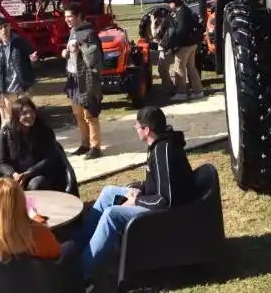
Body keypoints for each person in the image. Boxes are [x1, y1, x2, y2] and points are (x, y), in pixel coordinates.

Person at [75, 106, 197, 285]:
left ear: (147, 130)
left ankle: (81, 271)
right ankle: (77, 247)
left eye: (137, 126)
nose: (136, 129)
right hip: (153, 198)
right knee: (109, 192)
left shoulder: (163, 151)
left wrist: (136, 200)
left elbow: (166, 199)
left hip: (167, 213)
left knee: (112, 215)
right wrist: (140, 189)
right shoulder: (158, 144)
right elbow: (159, 181)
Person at [0, 97, 65, 199]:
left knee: (35, 185)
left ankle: (36, 213)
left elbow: (50, 158)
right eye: (24, 113)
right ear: (16, 116)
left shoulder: (44, 131)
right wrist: (13, 174)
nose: (29, 115)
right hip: (15, 175)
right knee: (7, 189)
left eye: (32, 112)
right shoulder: (5, 133)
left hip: (39, 172)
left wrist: (30, 172)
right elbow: (0, 161)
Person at [62, 4, 103, 160]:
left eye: (70, 16)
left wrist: (79, 49)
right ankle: (84, 144)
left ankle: (95, 147)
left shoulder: (90, 33)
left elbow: (93, 57)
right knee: (78, 114)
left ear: (79, 16)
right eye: (65, 17)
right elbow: (71, 54)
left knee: (90, 114)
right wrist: (66, 53)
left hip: (87, 79)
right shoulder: (73, 31)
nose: (67, 20)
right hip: (74, 79)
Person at [0, 17, 38, 124]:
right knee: (10, 121)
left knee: (27, 119)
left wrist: (34, 60)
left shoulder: (20, 42)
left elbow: (34, 61)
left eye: (6, 26)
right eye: (0, 28)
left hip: (22, 89)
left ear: (9, 26)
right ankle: (14, 141)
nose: (4, 30)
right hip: (7, 92)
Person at [162, 0, 205, 101]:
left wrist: (173, 45)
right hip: (192, 44)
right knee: (191, 68)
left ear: (174, 3)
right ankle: (198, 91)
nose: (168, 5)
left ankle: (181, 92)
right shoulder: (186, 10)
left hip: (184, 45)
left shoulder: (181, 13)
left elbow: (180, 31)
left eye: (170, 3)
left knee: (179, 68)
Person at [151, 11, 175, 95]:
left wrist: (153, 24)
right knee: (164, 69)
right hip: (169, 48)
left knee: (162, 69)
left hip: (165, 49)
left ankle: (169, 89)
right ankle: (170, 86)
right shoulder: (170, 19)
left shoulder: (164, 22)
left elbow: (155, 35)